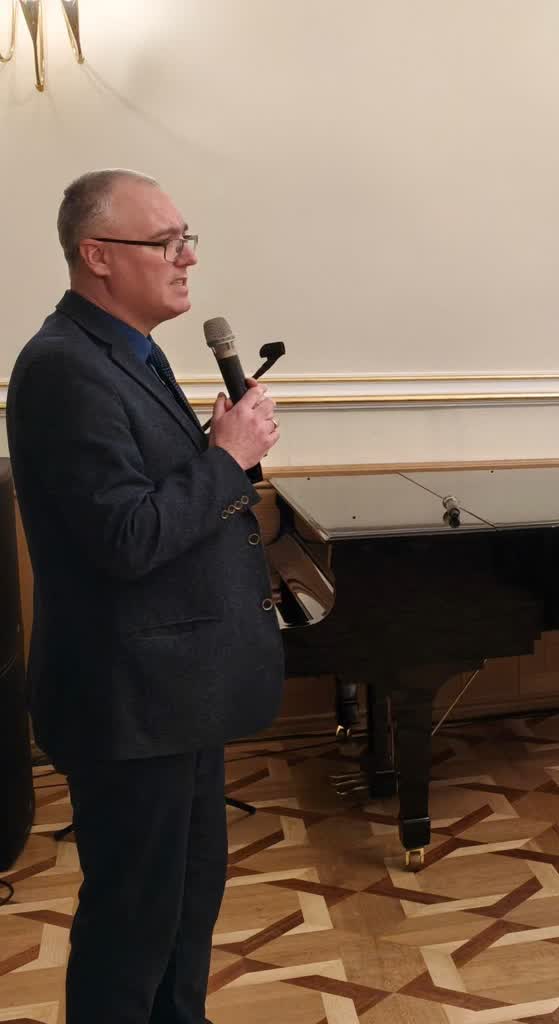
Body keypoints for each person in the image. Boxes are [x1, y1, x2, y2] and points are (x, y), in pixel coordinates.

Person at [7, 169, 284, 1023]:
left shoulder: (127, 352)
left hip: (174, 693)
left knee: (185, 905)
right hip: (129, 701)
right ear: (97, 256)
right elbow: (125, 537)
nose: (186, 257)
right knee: (133, 925)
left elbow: (147, 496)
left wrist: (215, 450)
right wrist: (226, 457)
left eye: (185, 238)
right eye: (165, 242)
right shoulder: (63, 368)